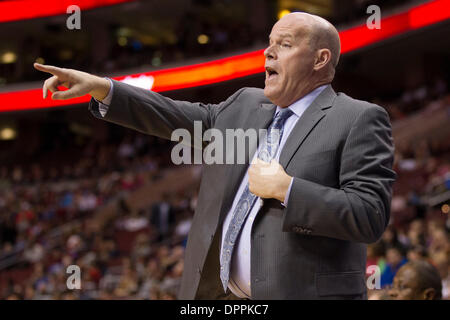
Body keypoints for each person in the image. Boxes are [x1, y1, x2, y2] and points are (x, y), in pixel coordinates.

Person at [33, 12, 396, 299]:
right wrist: (102, 88)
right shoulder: (245, 105)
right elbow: (173, 116)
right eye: (269, 43)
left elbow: (370, 215)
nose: (268, 52)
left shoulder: (357, 118)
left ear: (321, 59)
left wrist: (288, 189)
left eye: (284, 44)